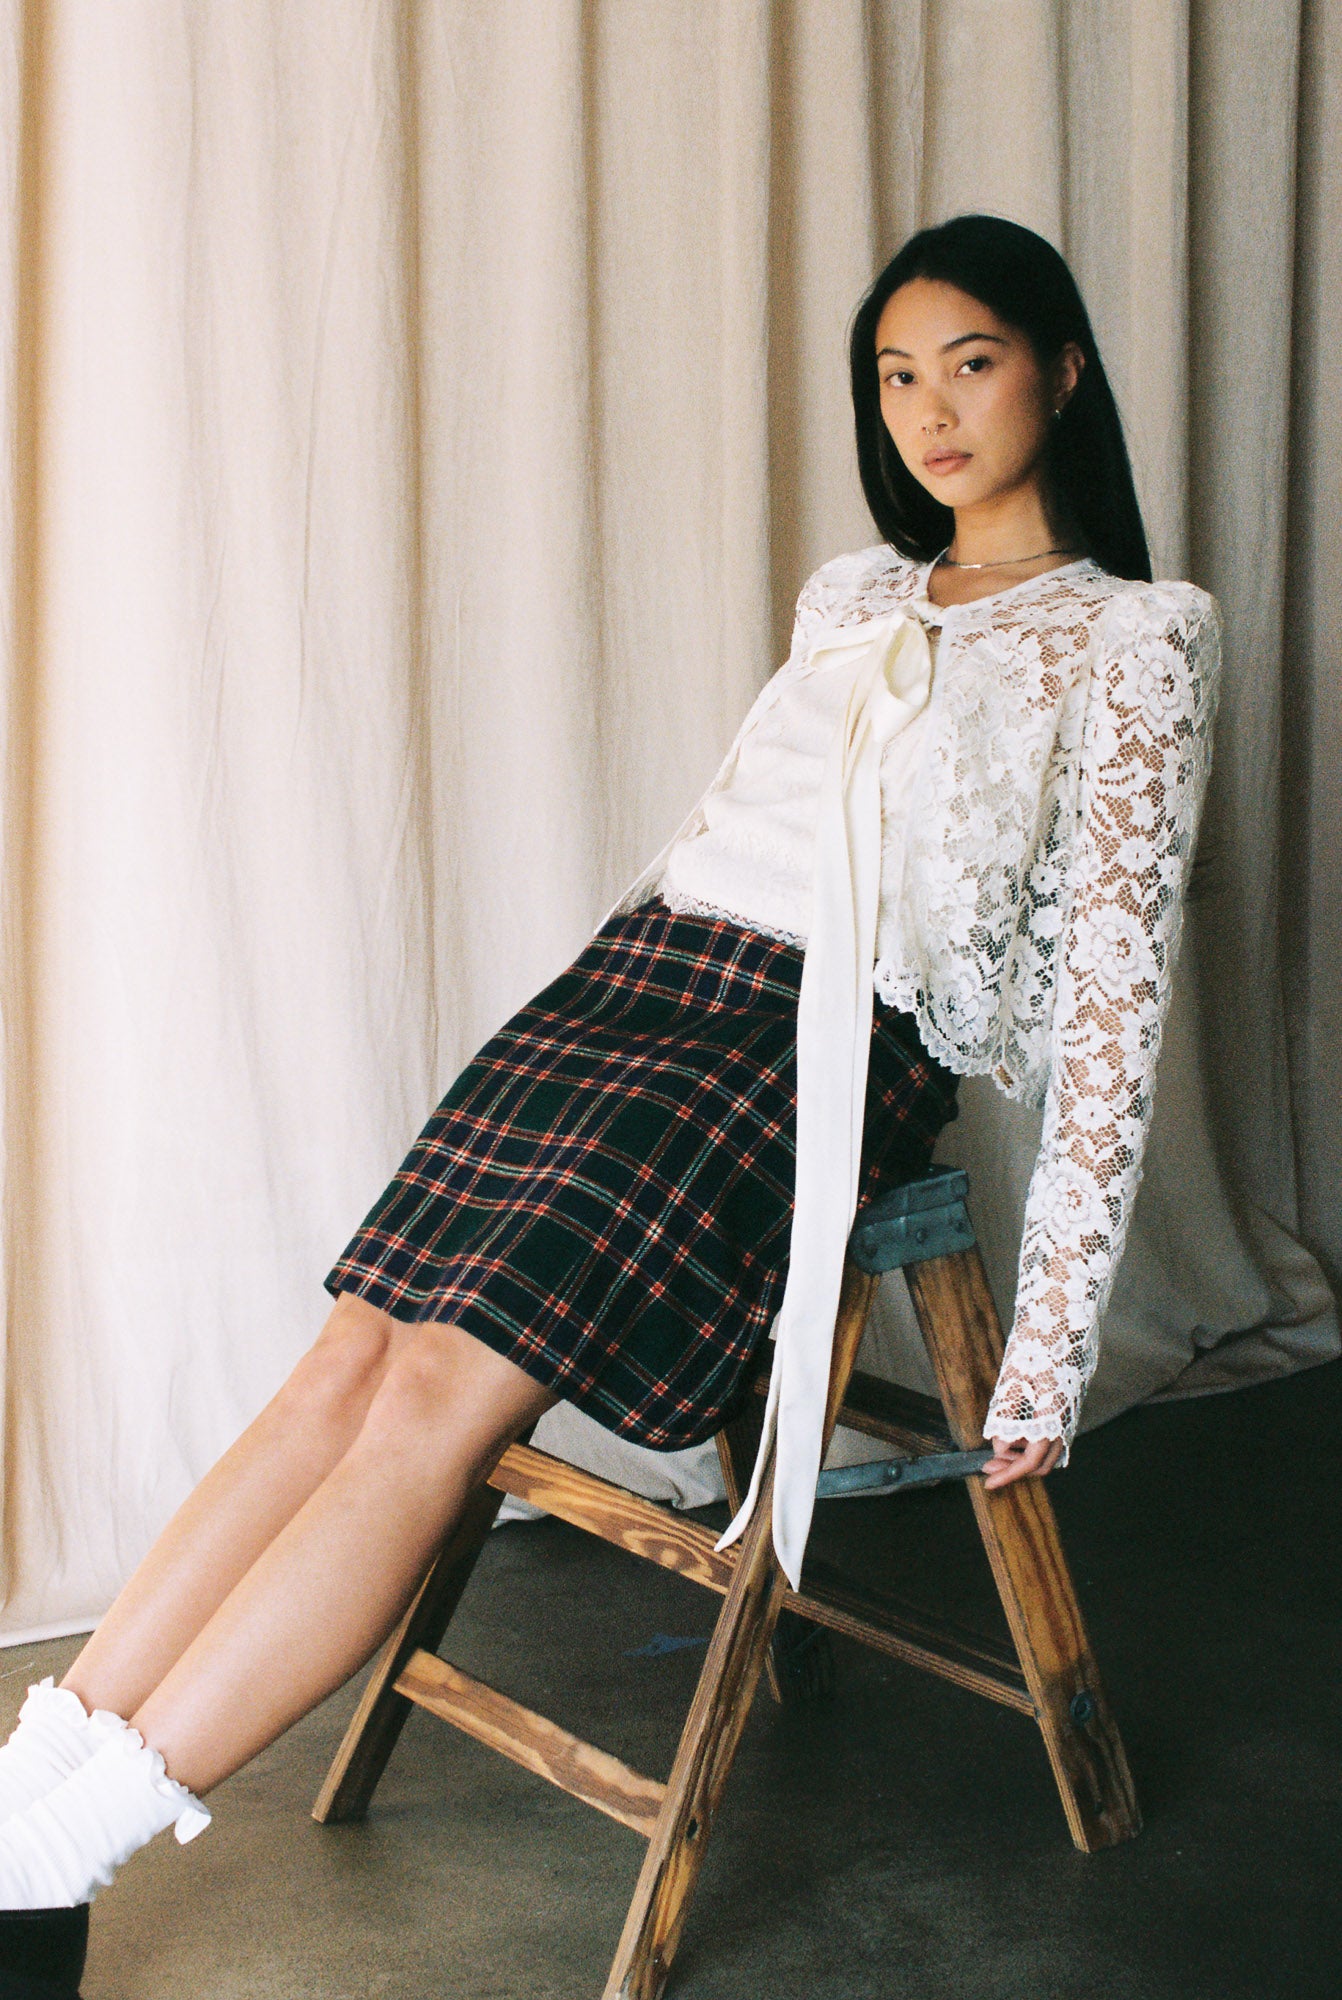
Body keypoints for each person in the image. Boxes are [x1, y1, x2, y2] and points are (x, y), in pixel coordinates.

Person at [0, 212, 1220, 1995]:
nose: (928, 412)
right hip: (639, 982)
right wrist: (602, 993)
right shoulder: (850, 593)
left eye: (969, 362)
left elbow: (1114, 989)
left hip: (808, 1038)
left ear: (1062, 369)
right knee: (345, 1351)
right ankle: (30, 1783)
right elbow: (736, 816)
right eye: (894, 375)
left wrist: (1051, 1336)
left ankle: (60, 1856)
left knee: (438, 1392)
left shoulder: (1137, 636)